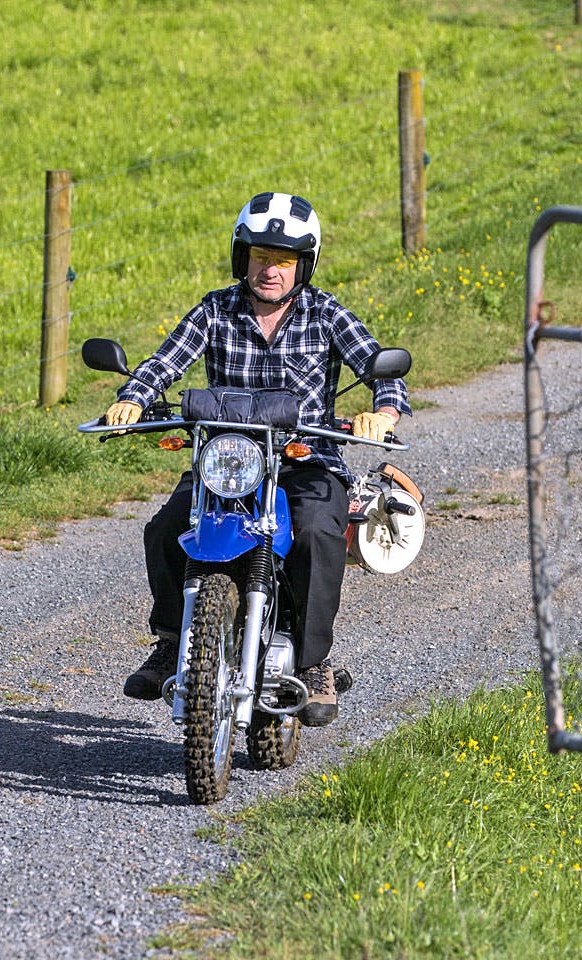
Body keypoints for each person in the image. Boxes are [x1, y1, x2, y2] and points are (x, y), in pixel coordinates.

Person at [105, 191, 410, 726]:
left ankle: (314, 664)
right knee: (165, 528)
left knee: (317, 532)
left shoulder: (327, 313)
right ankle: (173, 639)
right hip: (226, 461)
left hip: (305, 460)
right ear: (241, 257)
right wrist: (132, 396)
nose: (271, 270)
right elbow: (166, 361)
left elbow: (383, 369)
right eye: (261, 256)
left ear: (304, 265)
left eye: (285, 260)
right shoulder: (215, 309)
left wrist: (383, 413)